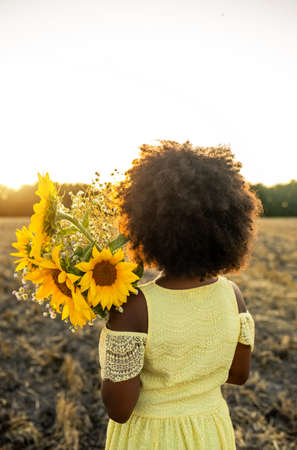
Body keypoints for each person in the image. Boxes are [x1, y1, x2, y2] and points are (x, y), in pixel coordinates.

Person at [98, 140, 262, 449]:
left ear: (144, 226)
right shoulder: (233, 295)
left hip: (150, 439)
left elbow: (119, 410)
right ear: (230, 225)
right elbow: (239, 374)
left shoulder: (134, 307)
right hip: (211, 432)